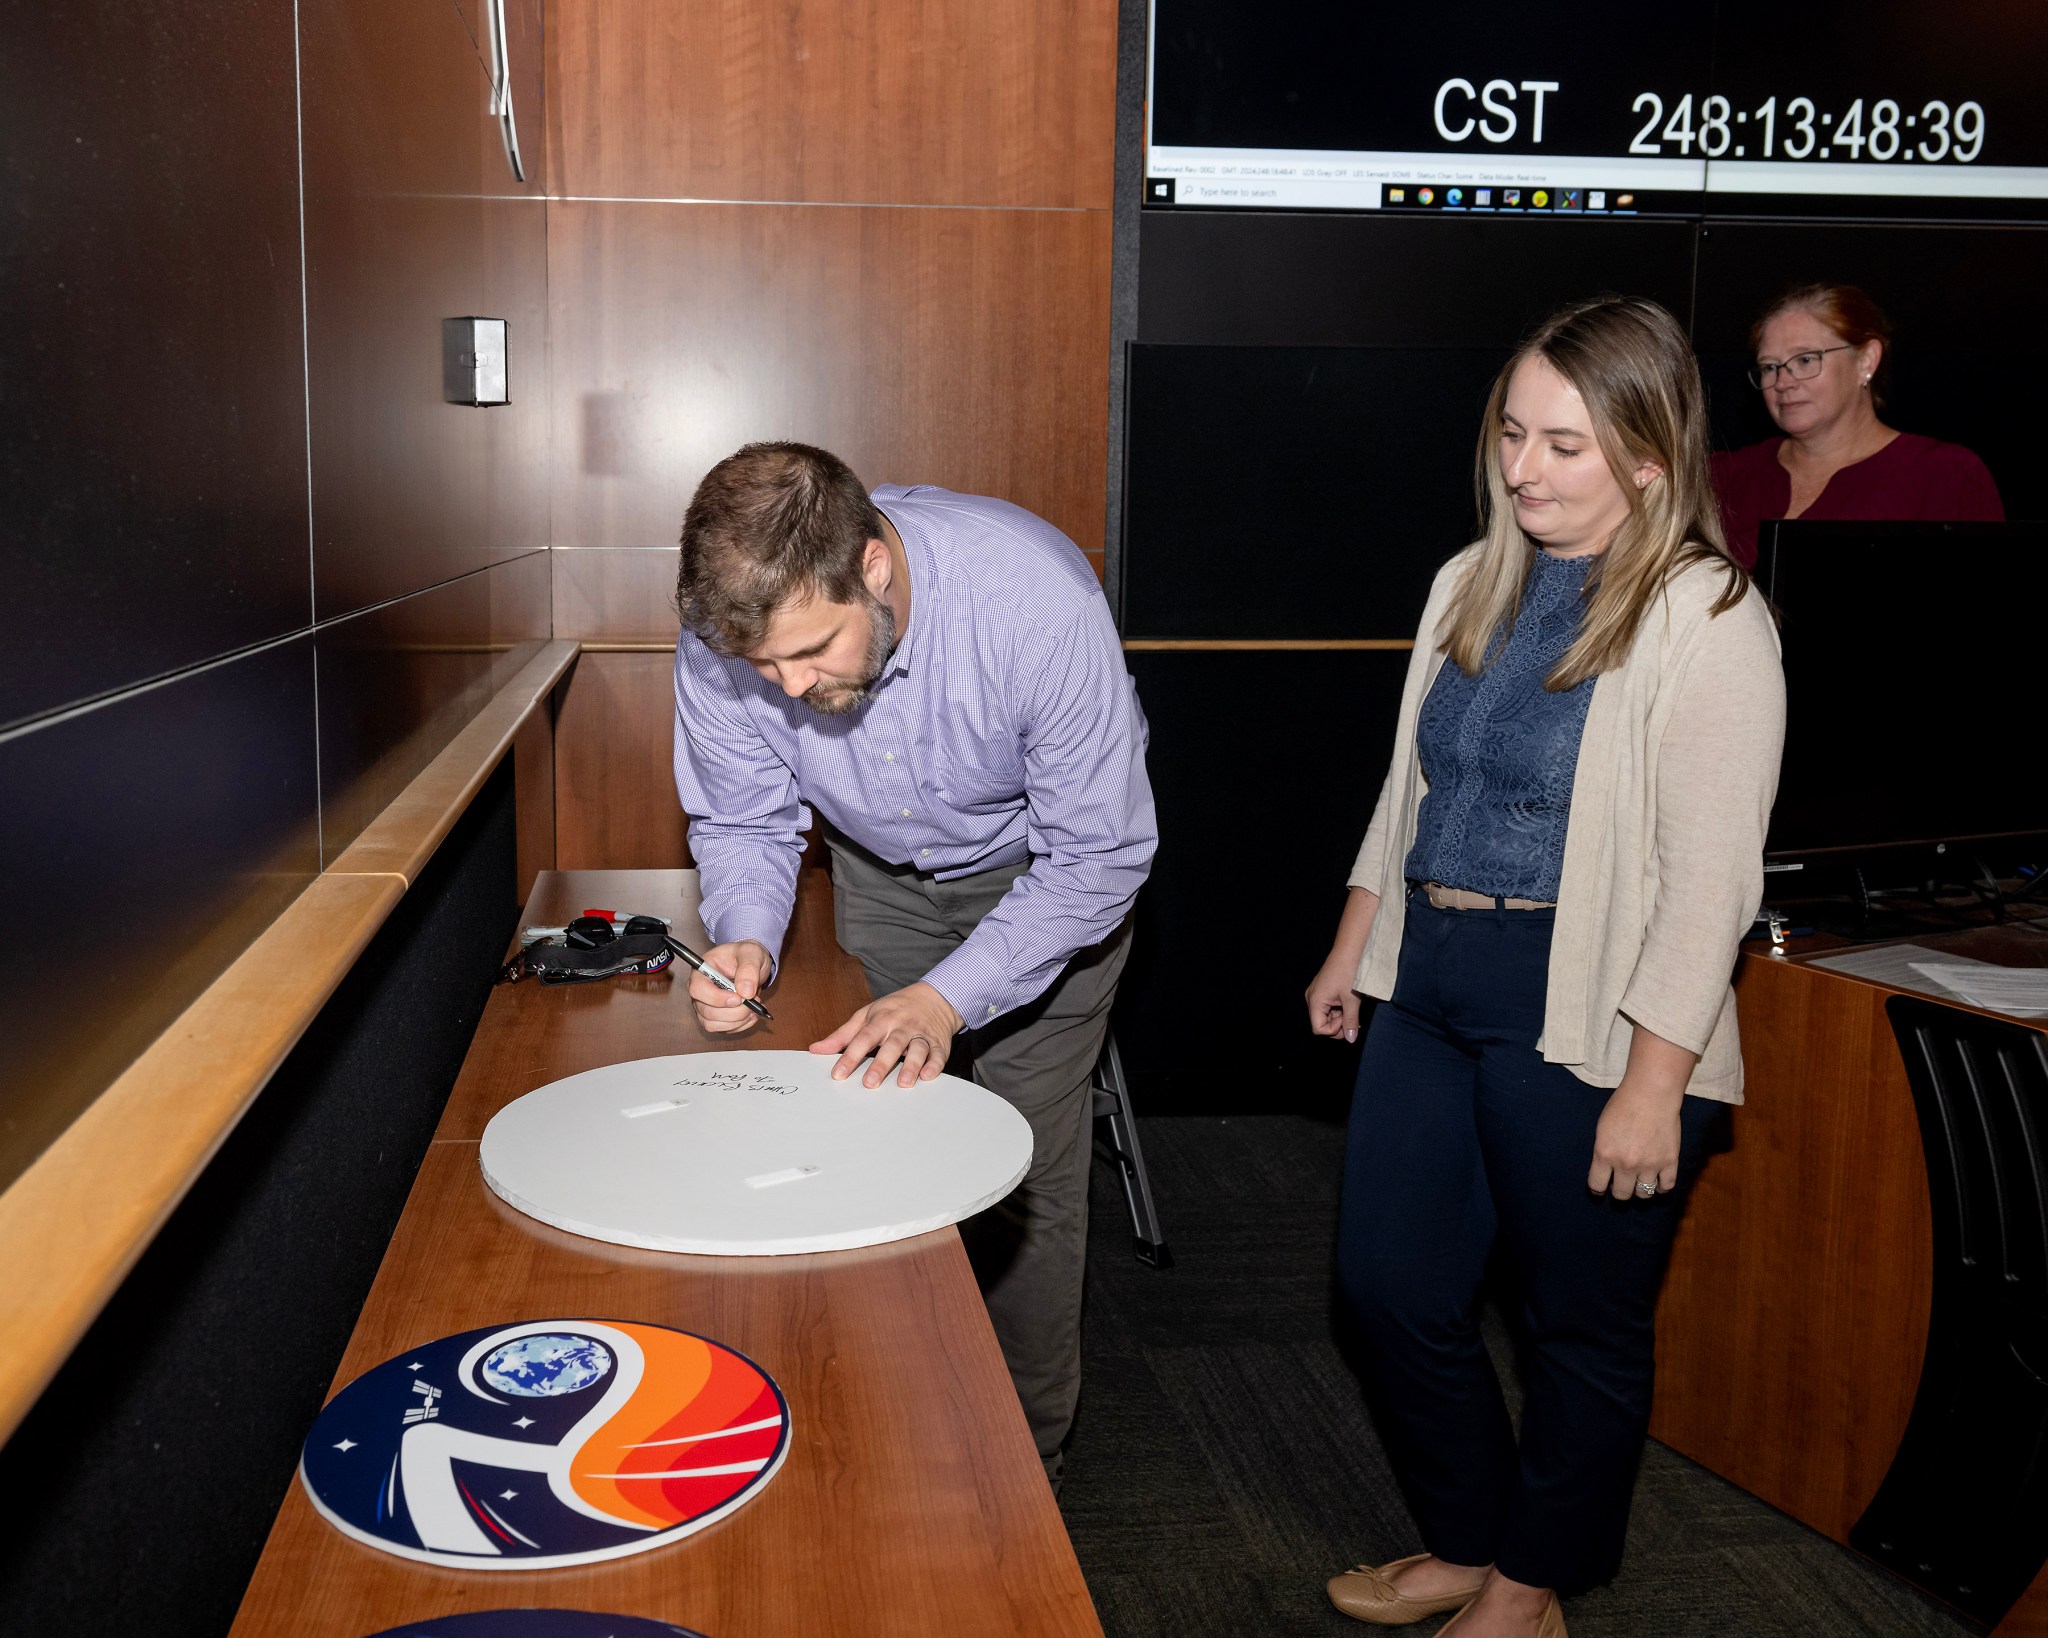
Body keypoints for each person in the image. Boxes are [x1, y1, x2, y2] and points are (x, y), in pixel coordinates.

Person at [1304, 298, 1785, 1636]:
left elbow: (1711, 884)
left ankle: (1529, 1583)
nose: (1525, 469)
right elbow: (1411, 785)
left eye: (1566, 445)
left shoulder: (1711, 618)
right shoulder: (1472, 578)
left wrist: (1654, 1081)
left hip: (1592, 1007)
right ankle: (1468, 1534)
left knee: (1581, 1321)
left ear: (1647, 454)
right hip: (1433, 971)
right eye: (1513, 433)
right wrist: (1358, 938)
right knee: (1389, 1286)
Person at [670, 442, 1157, 1481]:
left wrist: (946, 1001)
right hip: (879, 872)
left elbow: (1098, 855)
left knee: (1021, 1161)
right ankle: (879, 1407)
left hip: (1044, 886)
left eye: (811, 652)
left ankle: (1020, 1455)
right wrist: (746, 932)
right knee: (871, 1129)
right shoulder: (737, 626)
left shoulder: (1034, 600)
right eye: (764, 670)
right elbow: (746, 814)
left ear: (872, 570)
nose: (791, 687)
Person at [1713, 281, 2003, 568]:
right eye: (1770, 367)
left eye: (1805, 360)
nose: (1784, 382)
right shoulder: (1722, 476)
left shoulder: (1945, 475)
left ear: (1866, 360)